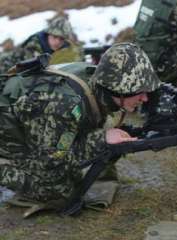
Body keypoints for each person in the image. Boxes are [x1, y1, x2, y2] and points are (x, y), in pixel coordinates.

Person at [0, 43, 161, 206]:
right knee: (57, 193)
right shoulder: (67, 106)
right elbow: (51, 163)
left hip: (30, 123)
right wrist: (101, 139)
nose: (145, 99)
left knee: (75, 176)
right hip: (9, 131)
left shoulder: (95, 79)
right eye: (140, 92)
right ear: (119, 89)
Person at [0, 16, 81, 74]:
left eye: (62, 39)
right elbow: (31, 72)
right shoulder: (33, 46)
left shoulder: (67, 48)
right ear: (48, 34)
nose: (58, 42)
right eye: (55, 37)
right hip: (5, 65)